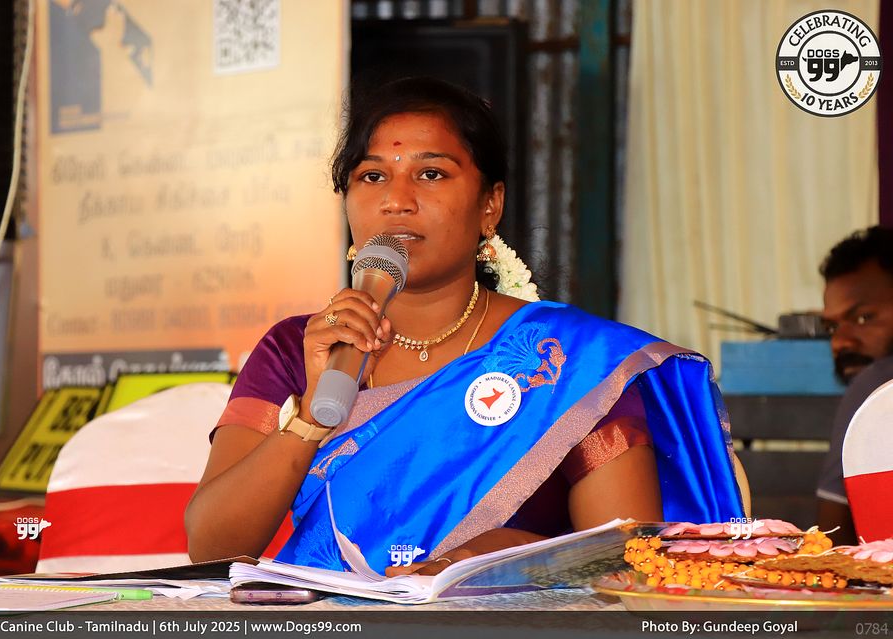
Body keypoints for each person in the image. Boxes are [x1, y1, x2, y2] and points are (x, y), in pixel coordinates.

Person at [184, 77, 744, 575]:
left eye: (430, 174)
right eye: (372, 176)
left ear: (490, 206)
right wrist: (311, 414)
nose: (396, 201)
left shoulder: (570, 361)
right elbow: (212, 548)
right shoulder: (297, 348)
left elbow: (626, 562)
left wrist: (510, 556)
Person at [817, 226, 893, 545]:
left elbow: (833, 538)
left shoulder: (875, 381)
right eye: (832, 327)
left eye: (863, 318)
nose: (840, 341)